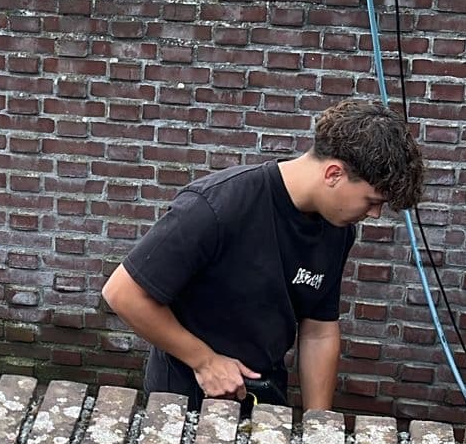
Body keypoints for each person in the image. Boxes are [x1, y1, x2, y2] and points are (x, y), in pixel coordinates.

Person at [101, 100, 424, 411]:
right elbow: (122, 293)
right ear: (333, 174)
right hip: (185, 396)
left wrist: (318, 426)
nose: (376, 215)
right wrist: (205, 360)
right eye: (371, 201)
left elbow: (319, 330)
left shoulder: (337, 230)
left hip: (264, 394)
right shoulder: (217, 205)